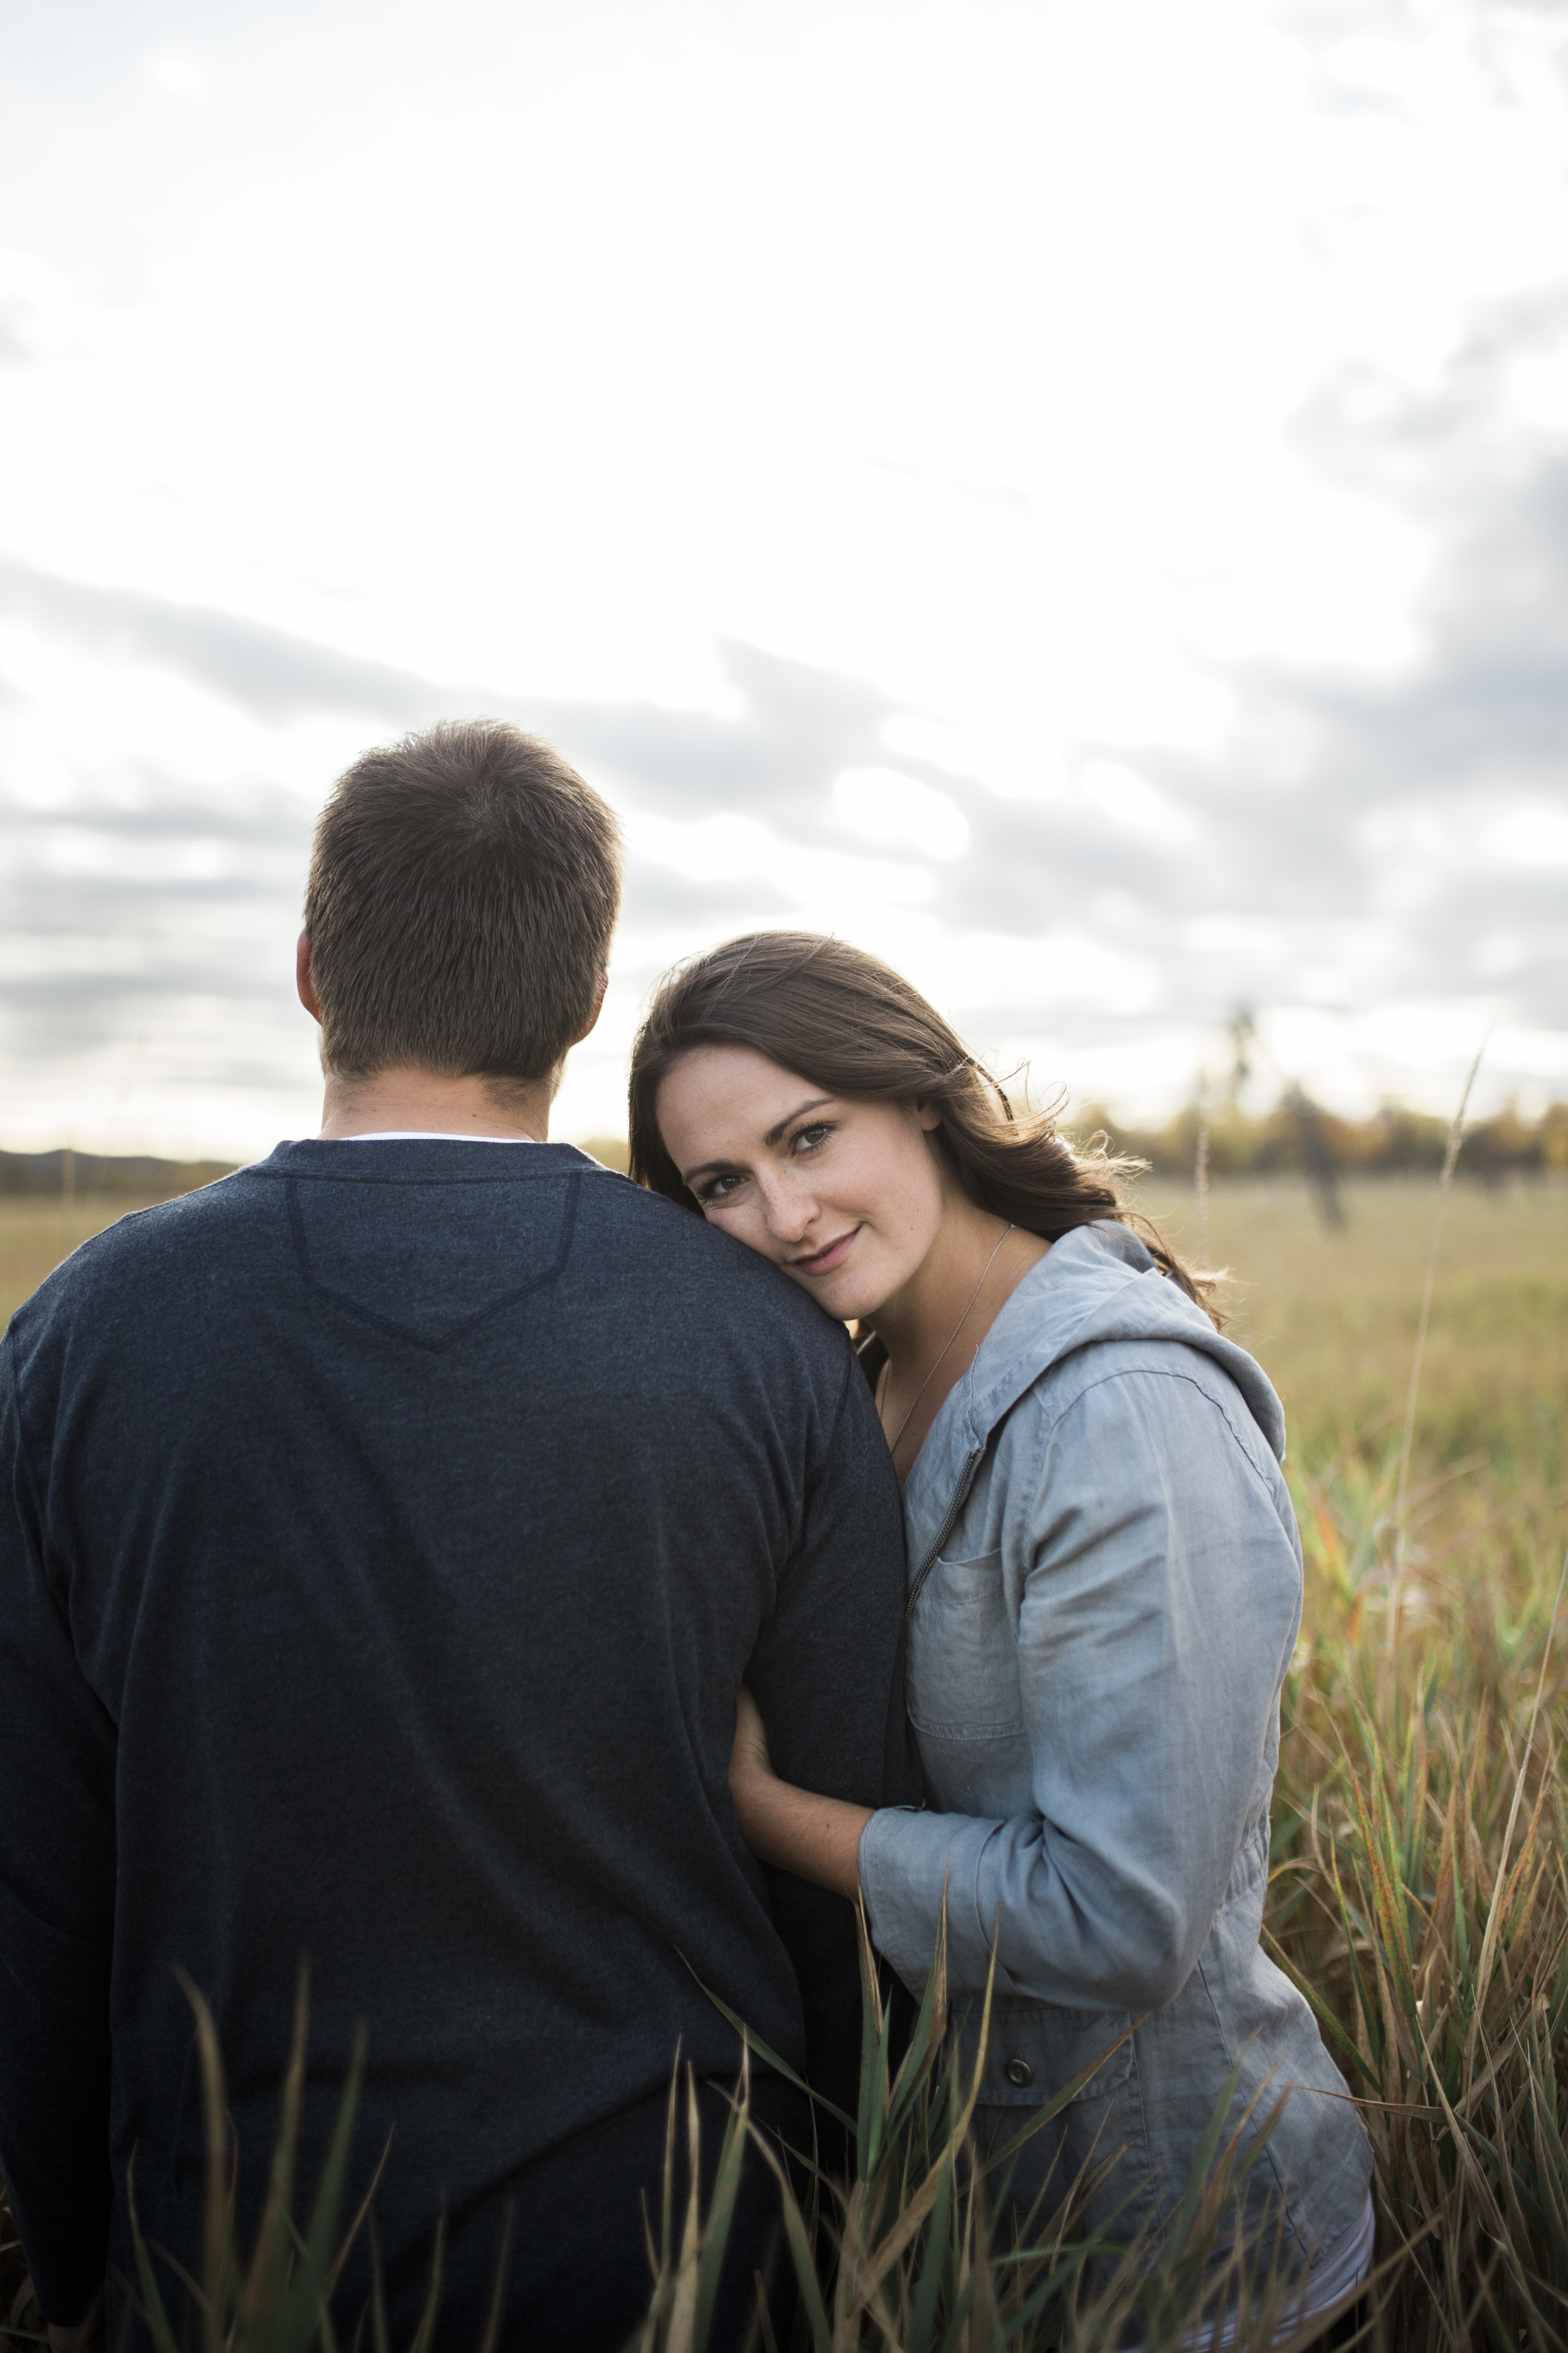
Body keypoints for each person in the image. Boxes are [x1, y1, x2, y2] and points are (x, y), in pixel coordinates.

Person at [0, 732, 916, 2353]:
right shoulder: (769, 1351)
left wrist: (81, 2273)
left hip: (230, 2262)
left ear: (308, 973)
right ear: (584, 999)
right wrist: (823, 2236)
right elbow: (842, 1871)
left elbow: (40, 1874)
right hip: (686, 2260)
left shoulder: (82, 1337)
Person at [628, 930, 1375, 2332]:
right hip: (987, 2229)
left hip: (1186, 2252)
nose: (782, 1212)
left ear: (918, 1096)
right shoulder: (861, 1382)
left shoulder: (1116, 1410)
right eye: (720, 1183)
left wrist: (758, 1807)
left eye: (807, 1136)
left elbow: (1117, 1914)